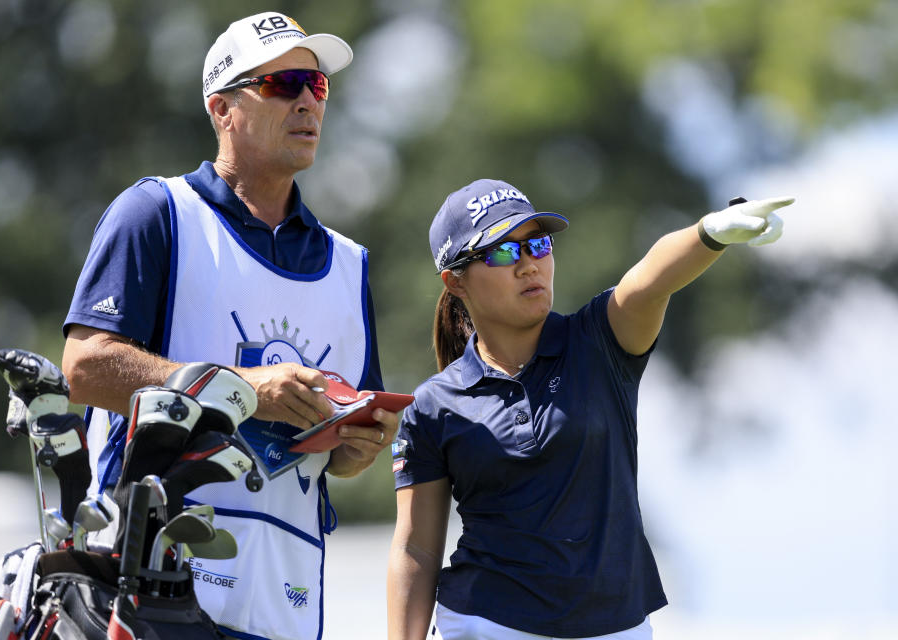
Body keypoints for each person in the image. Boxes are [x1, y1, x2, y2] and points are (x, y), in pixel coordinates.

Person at [61, 11, 398, 640]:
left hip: (286, 607)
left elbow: (343, 455)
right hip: (148, 591)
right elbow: (85, 368)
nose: (307, 101)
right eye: (283, 84)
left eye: (317, 86)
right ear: (222, 110)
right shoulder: (156, 213)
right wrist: (245, 389)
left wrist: (357, 447)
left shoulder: (350, 265)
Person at [387, 178, 793, 639]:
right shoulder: (433, 404)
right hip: (487, 623)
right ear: (455, 280)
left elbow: (648, 282)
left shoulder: (599, 341)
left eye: (537, 245)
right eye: (503, 252)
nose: (528, 265)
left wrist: (710, 232)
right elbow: (417, 549)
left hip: (615, 626)